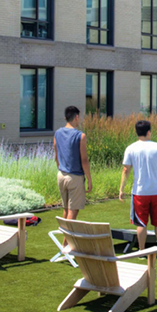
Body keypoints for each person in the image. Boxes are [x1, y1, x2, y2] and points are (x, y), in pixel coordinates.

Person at [119, 120, 157, 257]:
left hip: (140, 192)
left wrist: (121, 189)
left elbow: (126, 170)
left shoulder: (131, 148)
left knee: (141, 223)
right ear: (148, 132)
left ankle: (141, 251)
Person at [53, 106, 93, 249]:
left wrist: (60, 167)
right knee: (73, 211)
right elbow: (84, 160)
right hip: (75, 177)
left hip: (61, 175)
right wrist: (89, 178)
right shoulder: (80, 136)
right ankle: (66, 244)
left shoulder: (57, 133)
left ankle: (65, 243)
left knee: (66, 209)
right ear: (76, 117)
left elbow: (56, 155)